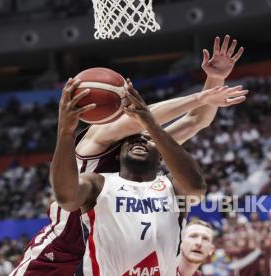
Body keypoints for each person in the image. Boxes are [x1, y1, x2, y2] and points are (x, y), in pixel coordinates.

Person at [11, 35, 246, 275]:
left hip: (109, 253)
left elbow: (197, 120)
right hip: (64, 248)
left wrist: (215, 78)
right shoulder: (98, 137)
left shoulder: (147, 148)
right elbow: (137, 119)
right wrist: (199, 97)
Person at [53, 77, 206, 275]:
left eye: (147, 140)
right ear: (118, 154)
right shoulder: (98, 184)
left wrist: (151, 124)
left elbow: (196, 187)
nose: (139, 142)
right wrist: (65, 133)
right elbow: (65, 197)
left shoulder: (172, 187)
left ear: (160, 154)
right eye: (131, 141)